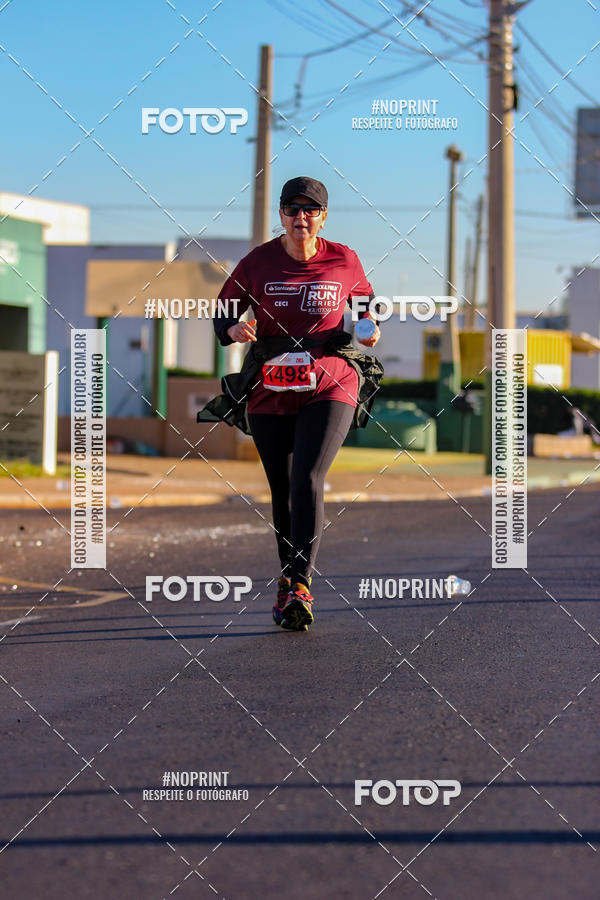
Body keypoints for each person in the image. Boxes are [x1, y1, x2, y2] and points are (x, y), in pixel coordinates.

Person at [199, 176, 383, 631]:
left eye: (310, 210)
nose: (301, 217)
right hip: (271, 383)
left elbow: (366, 304)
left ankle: (301, 583)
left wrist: (367, 326)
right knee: (281, 488)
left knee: (307, 478)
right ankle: (287, 579)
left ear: (323, 216)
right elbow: (223, 311)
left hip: (330, 379)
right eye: (292, 209)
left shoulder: (344, 258)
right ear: (281, 214)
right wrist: (233, 329)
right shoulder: (258, 262)